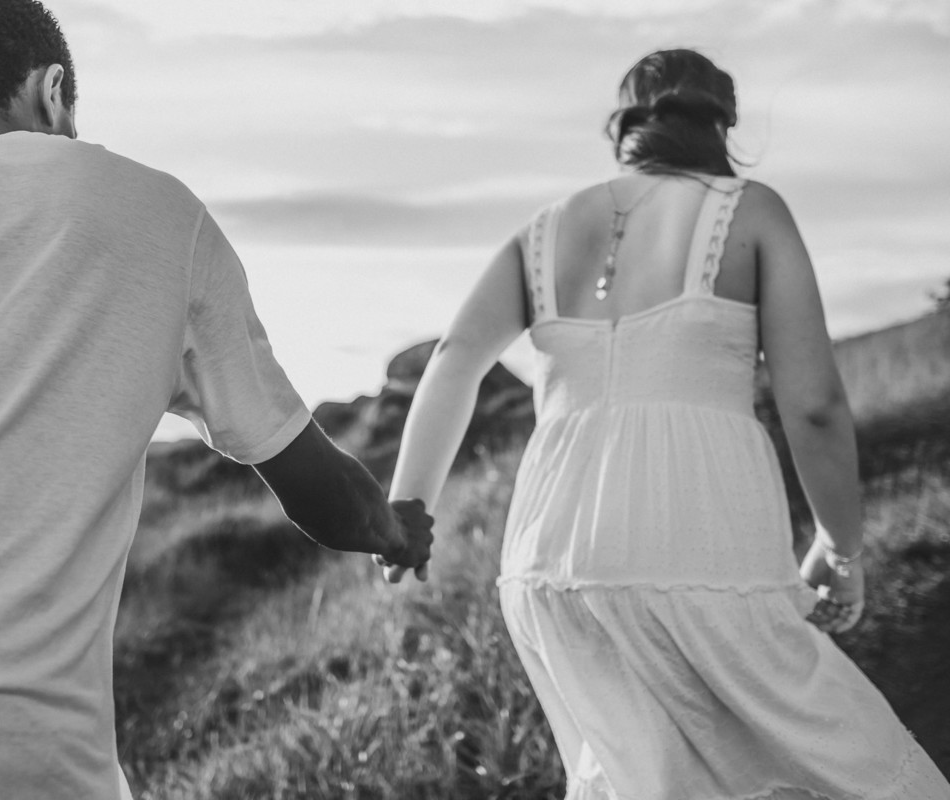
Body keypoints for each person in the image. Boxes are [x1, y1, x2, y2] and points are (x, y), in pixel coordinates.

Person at [0, 1, 433, 798]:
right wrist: (395, 529)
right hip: (30, 757)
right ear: (54, 92)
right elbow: (318, 491)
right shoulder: (159, 214)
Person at [383, 49, 949, 798]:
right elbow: (812, 406)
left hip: (545, 561)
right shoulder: (750, 210)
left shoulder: (543, 232)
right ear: (724, 124)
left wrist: (409, 505)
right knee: (857, 765)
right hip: (695, 544)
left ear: (622, 128)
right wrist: (840, 550)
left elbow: (455, 358)